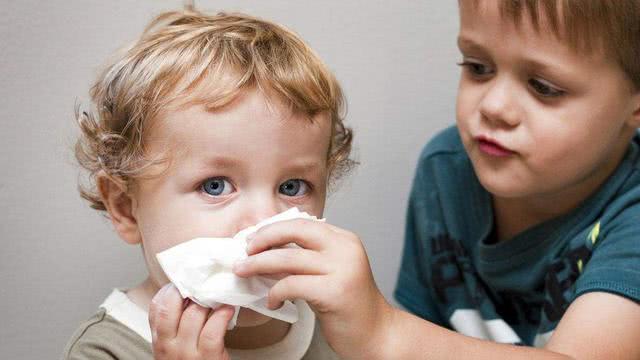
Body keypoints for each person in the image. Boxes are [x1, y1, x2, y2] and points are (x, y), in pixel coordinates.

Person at [234, 1, 640, 358]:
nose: (494, 107)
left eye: (543, 87)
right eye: (478, 68)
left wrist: (383, 331)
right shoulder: (447, 170)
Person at [63, 8, 353, 360]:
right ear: (126, 209)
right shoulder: (106, 350)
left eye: (292, 187)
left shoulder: (339, 326)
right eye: (215, 186)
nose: (262, 222)